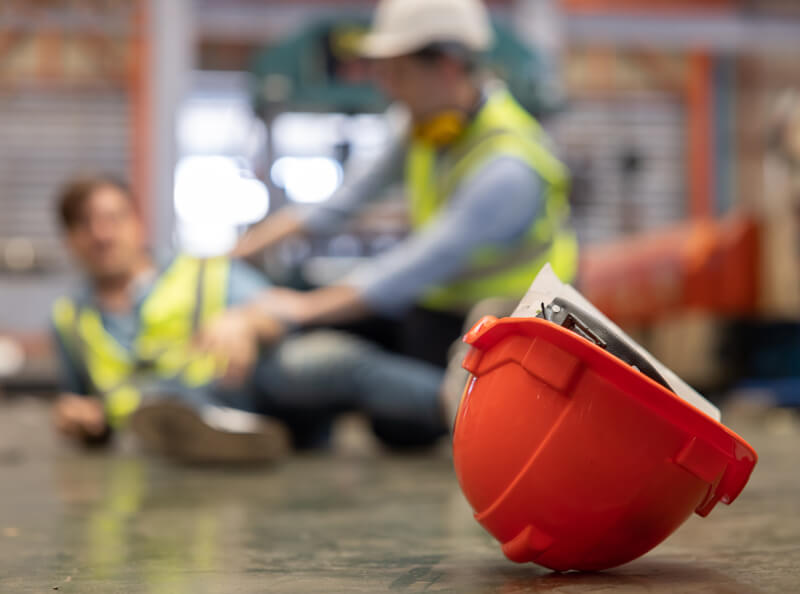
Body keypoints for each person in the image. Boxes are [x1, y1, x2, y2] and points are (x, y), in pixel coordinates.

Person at [230, 0, 578, 369]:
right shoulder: (418, 125)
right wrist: (236, 254)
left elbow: (418, 264)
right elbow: (342, 203)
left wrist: (302, 309)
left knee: (344, 370)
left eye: (399, 73)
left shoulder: (508, 166)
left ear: (447, 67)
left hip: (509, 337)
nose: (389, 89)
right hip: (441, 311)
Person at [50, 175, 448, 461]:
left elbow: (282, 313)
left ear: (137, 223)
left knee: (323, 359)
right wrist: (82, 420)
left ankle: (460, 404)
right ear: (69, 239)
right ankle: (207, 428)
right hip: (157, 426)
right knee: (168, 408)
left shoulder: (201, 271)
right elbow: (83, 405)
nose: (102, 234)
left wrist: (245, 320)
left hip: (250, 389)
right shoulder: (69, 320)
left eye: (113, 218)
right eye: (86, 224)